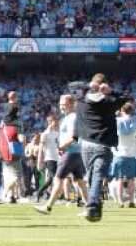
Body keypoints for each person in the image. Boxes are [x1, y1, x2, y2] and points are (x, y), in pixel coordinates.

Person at [71, 74, 128, 222]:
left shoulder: (82, 99)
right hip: (102, 145)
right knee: (97, 176)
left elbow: (71, 86)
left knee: (91, 177)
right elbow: (125, 98)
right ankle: (92, 205)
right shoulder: (109, 102)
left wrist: (88, 85)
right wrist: (111, 91)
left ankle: (95, 208)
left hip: (85, 145)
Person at [36, 94, 89, 215]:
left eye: (63, 103)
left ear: (70, 104)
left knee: (58, 179)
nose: (60, 106)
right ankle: (90, 207)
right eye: (60, 103)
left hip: (70, 153)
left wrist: (61, 146)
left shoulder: (72, 118)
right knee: (80, 181)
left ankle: (48, 206)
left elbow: (74, 137)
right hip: (74, 153)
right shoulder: (66, 118)